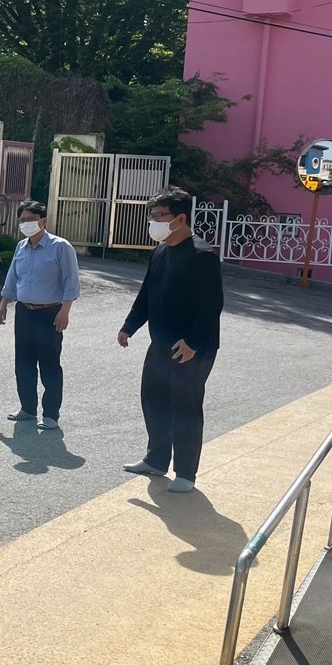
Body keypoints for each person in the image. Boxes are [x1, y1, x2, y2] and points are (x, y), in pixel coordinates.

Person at [118, 188, 224, 494]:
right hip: (161, 344)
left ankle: (186, 473)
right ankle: (156, 459)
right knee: (153, 400)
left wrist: (192, 342)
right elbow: (147, 293)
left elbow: (212, 305)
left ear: (180, 218)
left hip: (191, 348)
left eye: (159, 216)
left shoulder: (202, 256)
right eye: (152, 216)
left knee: (185, 408)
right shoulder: (161, 251)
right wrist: (129, 326)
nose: (153, 222)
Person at [0, 199, 80, 432]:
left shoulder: (61, 247)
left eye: (31, 220)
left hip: (50, 313)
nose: (26, 224)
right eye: (22, 220)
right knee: (23, 362)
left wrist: (65, 311)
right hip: (24, 312)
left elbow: (71, 282)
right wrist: (3, 304)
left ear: (43, 221)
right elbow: (13, 278)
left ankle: (51, 414)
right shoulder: (21, 247)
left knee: (49, 364)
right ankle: (28, 408)